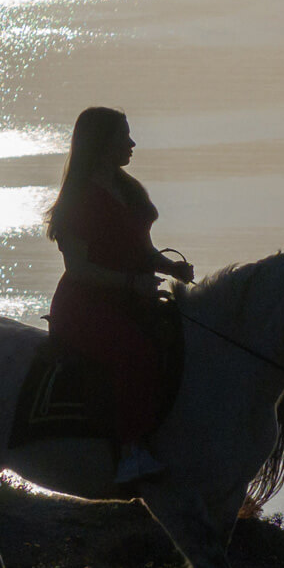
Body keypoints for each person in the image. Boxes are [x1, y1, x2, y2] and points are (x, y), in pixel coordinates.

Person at [45, 107, 195, 483]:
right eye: (123, 136)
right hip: (85, 307)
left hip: (131, 298)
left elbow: (141, 250)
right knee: (136, 353)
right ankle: (129, 452)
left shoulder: (127, 189)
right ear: (101, 143)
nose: (131, 143)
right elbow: (77, 270)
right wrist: (132, 284)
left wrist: (170, 268)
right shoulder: (78, 199)